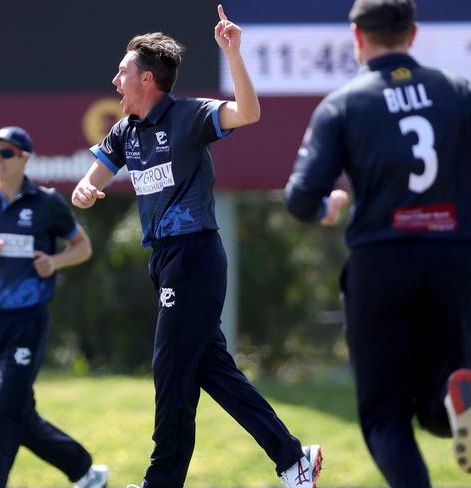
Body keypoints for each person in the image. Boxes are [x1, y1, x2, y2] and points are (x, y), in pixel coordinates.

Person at [71, 5, 322, 488]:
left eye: (123, 72)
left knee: (170, 371)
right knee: (209, 368)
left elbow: (248, 113)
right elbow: (95, 174)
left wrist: (233, 54)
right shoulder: (126, 130)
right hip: (166, 262)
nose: (114, 80)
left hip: (195, 256)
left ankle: (161, 483)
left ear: (147, 79)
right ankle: (294, 460)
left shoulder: (188, 116)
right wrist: (85, 188)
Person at [284, 0, 471, 486]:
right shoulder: (459, 91)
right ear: (413, 34)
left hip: (381, 262)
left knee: (383, 417)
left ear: (357, 37)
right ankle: (451, 391)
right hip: (451, 258)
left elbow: (299, 196)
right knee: (439, 402)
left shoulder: (343, 103)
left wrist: (325, 208)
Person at [0, 126, 108, 488]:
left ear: (24, 158)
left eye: (6, 154)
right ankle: (84, 470)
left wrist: (54, 262)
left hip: (28, 319)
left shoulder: (46, 203)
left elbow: (82, 248)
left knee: (0, 415)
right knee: (19, 413)